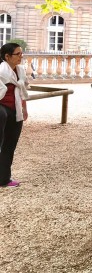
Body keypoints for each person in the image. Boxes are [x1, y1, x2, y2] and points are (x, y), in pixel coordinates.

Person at [0, 43, 28, 188]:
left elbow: (22, 91)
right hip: (2, 108)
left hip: (15, 109)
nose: (21, 56)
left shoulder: (21, 70)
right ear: (7, 56)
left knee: (10, 145)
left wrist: (24, 109)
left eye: (21, 53)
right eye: (18, 54)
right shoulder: (1, 71)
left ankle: (4, 179)